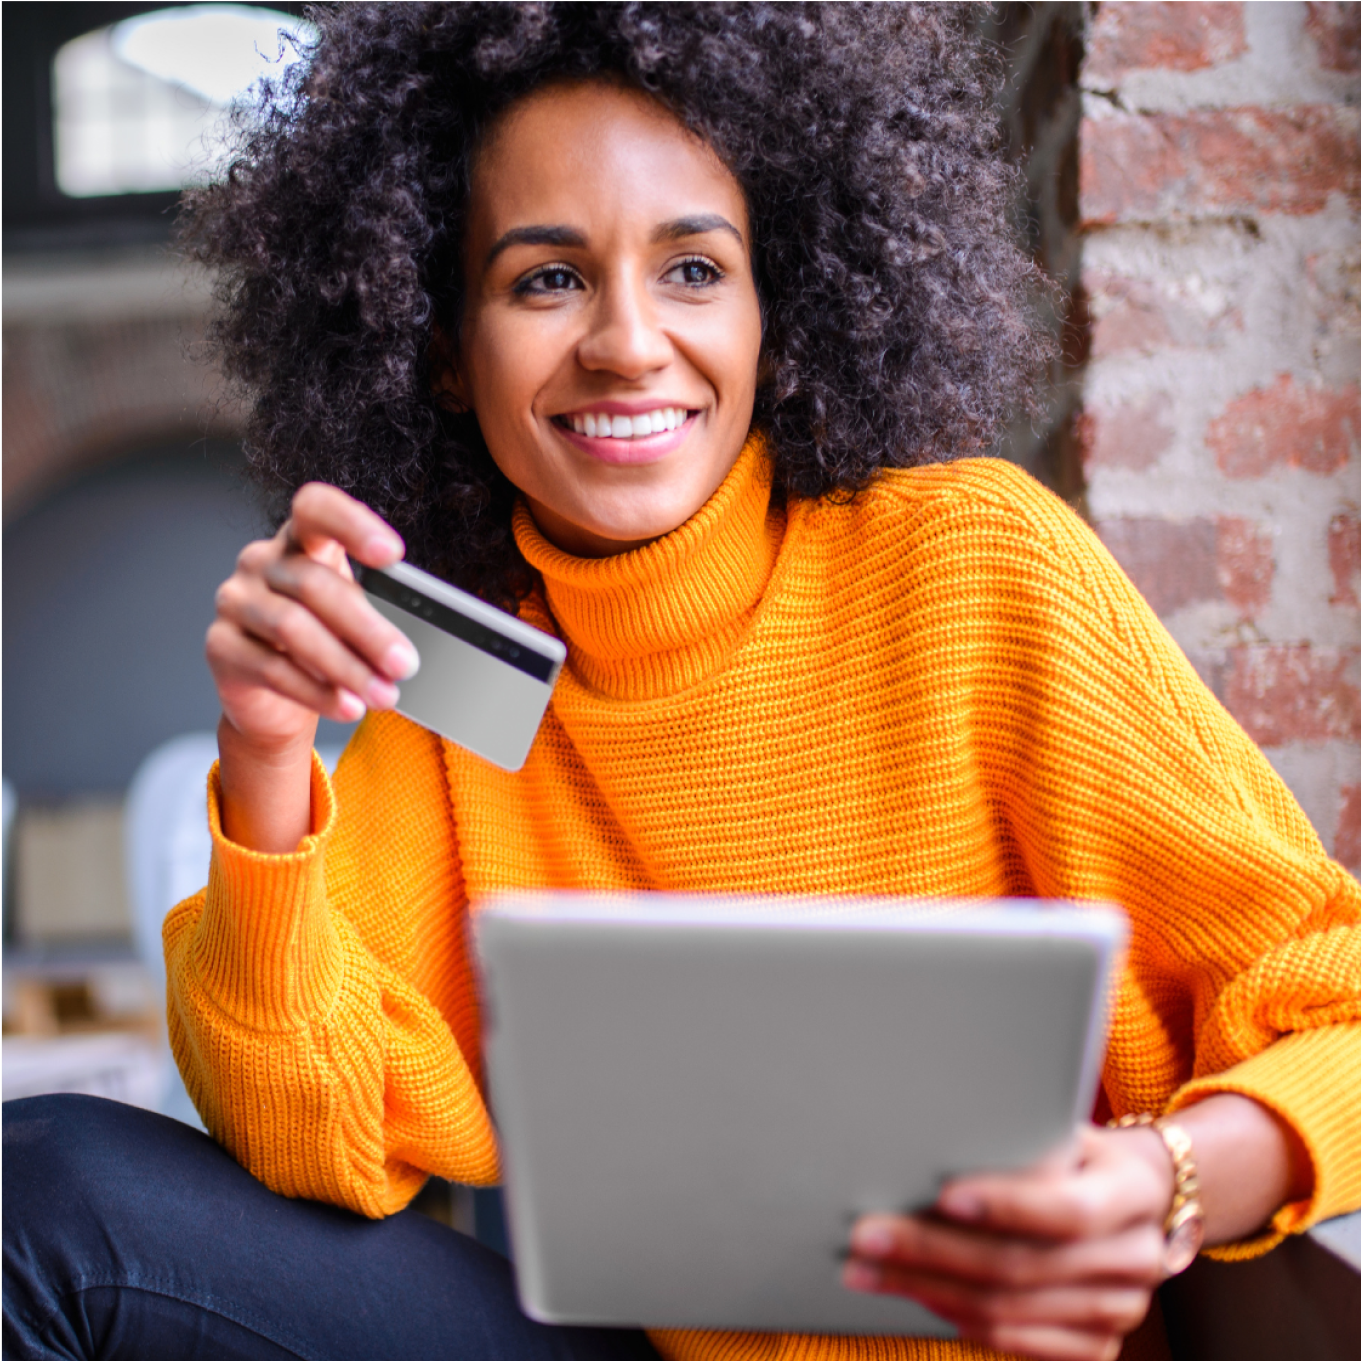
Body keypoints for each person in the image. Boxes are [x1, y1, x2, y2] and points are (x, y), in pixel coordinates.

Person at [3, 5, 1357, 1361]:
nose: (629, 343)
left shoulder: (970, 568)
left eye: (696, 270)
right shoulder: (467, 684)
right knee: (42, 1187)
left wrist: (1165, 1181)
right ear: (437, 345)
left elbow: (1341, 997)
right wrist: (264, 753)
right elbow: (315, 1134)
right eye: (546, 282)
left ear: (784, 302)